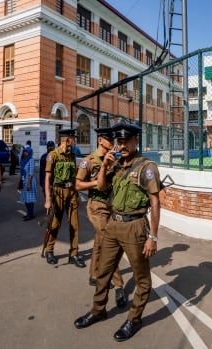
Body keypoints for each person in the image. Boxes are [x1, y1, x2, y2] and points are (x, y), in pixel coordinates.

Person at [74, 123, 161, 342]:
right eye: (118, 141)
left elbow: (155, 201)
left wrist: (153, 237)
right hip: (113, 223)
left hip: (135, 226)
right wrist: (104, 166)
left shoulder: (146, 167)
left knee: (141, 277)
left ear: (135, 142)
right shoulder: (115, 164)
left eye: (125, 141)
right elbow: (102, 187)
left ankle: (134, 318)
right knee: (104, 271)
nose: (121, 145)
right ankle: (98, 310)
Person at [75, 127, 127, 308]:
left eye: (113, 140)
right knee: (109, 244)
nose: (111, 142)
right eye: (108, 139)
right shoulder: (88, 161)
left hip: (111, 205)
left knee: (100, 241)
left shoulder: (114, 159)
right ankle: (119, 285)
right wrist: (96, 182)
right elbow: (78, 185)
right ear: (100, 140)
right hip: (97, 206)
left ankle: (94, 274)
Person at [42, 129, 85, 268]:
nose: (74, 141)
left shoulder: (72, 155)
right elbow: (47, 178)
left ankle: (73, 254)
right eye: (73, 138)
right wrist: (48, 199)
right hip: (57, 192)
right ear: (67, 140)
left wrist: (76, 193)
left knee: (75, 225)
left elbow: (74, 175)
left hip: (71, 192)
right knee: (55, 224)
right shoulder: (53, 155)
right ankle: (49, 250)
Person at [19, 147, 37, 220]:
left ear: (30, 152)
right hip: (24, 180)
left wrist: (29, 183)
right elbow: (21, 172)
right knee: (26, 198)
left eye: (26, 152)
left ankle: (30, 214)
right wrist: (19, 183)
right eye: (24, 152)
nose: (25, 153)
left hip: (30, 180)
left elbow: (31, 173)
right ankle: (29, 213)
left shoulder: (31, 160)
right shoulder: (23, 160)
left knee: (30, 199)